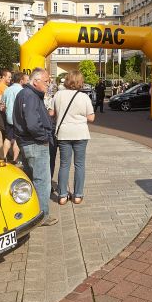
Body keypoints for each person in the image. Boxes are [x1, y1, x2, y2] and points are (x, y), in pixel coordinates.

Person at [13, 68, 58, 226]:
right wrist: (44, 137)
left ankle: (33, 213)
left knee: (33, 179)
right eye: (46, 82)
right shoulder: (30, 95)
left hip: (29, 142)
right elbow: (32, 124)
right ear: (35, 81)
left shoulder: (26, 94)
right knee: (42, 181)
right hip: (35, 143)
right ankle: (42, 216)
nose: (48, 84)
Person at [50, 70, 95, 206]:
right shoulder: (84, 97)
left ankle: (62, 196)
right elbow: (91, 117)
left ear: (68, 80)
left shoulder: (58, 95)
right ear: (81, 82)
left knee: (64, 164)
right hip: (80, 133)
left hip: (63, 133)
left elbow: (51, 113)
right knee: (79, 165)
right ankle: (77, 195)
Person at [2, 71, 29, 164]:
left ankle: (4, 156)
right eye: (26, 80)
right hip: (18, 119)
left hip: (8, 117)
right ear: (21, 81)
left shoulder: (7, 89)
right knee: (17, 139)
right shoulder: (22, 91)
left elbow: (2, 104)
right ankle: (15, 159)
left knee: (8, 138)